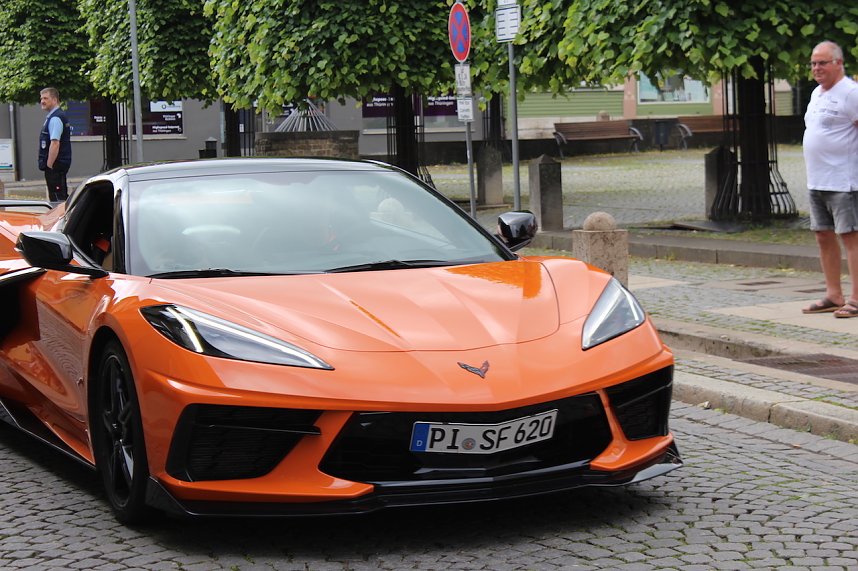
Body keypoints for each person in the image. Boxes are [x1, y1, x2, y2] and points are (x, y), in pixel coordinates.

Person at [801, 41, 858, 319]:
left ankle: (857, 297)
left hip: (844, 180)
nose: (816, 68)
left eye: (822, 62)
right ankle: (833, 294)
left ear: (838, 63)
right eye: (813, 63)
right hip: (817, 180)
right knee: (823, 235)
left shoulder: (851, 93)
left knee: (851, 237)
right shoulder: (816, 94)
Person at [37, 87, 72, 202]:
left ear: (55, 100)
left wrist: (50, 165)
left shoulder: (55, 118)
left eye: (46, 98)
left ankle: (62, 219)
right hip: (57, 166)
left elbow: (55, 143)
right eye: (41, 98)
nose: (42, 101)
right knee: (58, 196)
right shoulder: (54, 116)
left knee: (58, 200)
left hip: (55, 166)